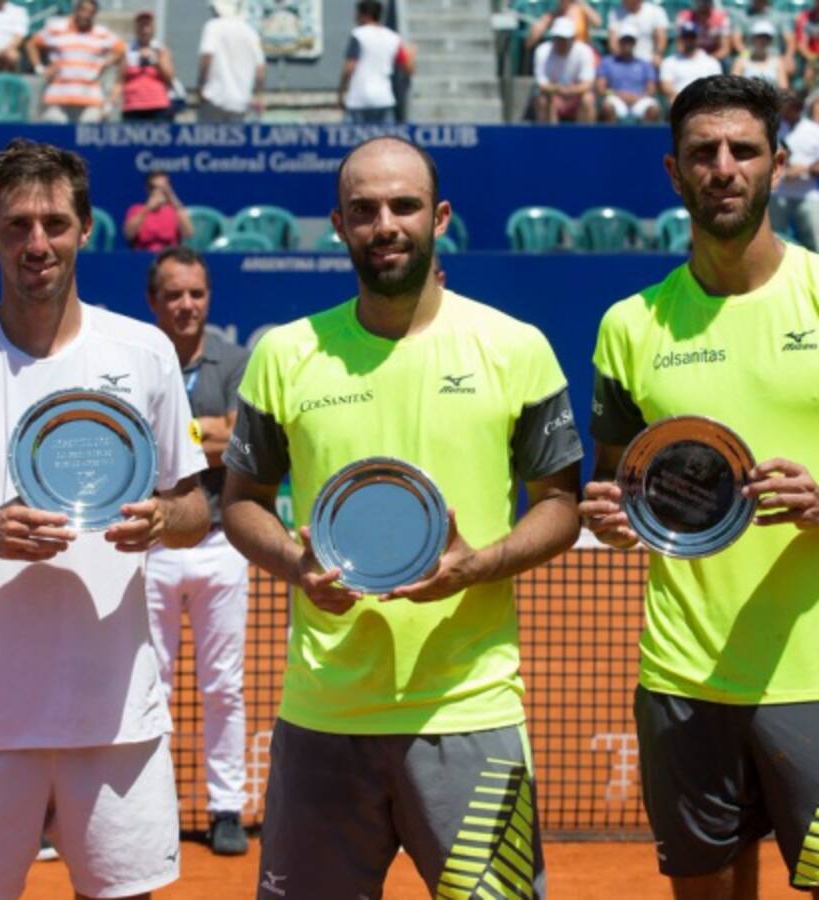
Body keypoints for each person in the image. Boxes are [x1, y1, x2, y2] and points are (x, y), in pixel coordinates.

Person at [221, 135, 583, 899]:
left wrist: (476, 565)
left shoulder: (516, 348)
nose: (385, 223)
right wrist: (296, 565)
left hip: (472, 712)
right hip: (324, 714)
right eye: (364, 210)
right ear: (338, 224)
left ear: (439, 216)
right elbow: (241, 504)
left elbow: (560, 505)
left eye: (404, 206)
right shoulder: (284, 354)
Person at [0, 139, 210, 900]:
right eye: (17, 224)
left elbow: (194, 507)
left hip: (116, 717)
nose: (37, 243)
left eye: (55, 222)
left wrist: (161, 520)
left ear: (86, 228)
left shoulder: (145, 351)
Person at [582, 74, 819, 900]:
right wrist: (610, 516)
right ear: (674, 173)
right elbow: (615, 482)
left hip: (813, 679)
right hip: (682, 676)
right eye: (703, 153)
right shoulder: (630, 325)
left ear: (778, 165)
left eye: (743, 150)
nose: (724, 167)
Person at [144, 247, 251, 857]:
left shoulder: (235, 360)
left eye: (196, 294)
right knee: (148, 685)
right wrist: (203, 431)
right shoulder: (138, 359)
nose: (187, 305)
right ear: (154, 301)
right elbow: (135, 436)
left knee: (223, 685)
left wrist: (173, 435)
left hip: (220, 544)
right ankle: (153, 807)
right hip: (151, 549)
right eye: (174, 295)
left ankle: (225, 807)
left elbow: (237, 440)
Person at [26, 0, 125, 124]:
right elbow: (32, 44)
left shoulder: (101, 33)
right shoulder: (57, 28)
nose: (86, 15)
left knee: (87, 138)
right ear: (76, 11)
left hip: (90, 99)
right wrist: (40, 68)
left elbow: (121, 48)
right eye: (84, 10)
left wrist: (106, 61)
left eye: (91, 12)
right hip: (58, 97)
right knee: (54, 139)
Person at [339, 0, 413, 125]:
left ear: (364, 15)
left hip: (359, 98)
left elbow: (349, 67)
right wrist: (412, 54)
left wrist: (341, 92)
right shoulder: (393, 37)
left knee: (355, 143)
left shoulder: (358, 35)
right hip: (384, 98)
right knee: (384, 141)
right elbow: (407, 68)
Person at [198, 0, 266, 123]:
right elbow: (260, 67)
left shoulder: (213, 26)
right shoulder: (250, 32)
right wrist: (258, 95)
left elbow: (207, 56)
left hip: (214, 97)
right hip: (241, 101)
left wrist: (201, 86)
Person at [771, 90, 819, 250]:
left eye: (789, 107)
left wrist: (805, 170)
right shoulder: (775, 130)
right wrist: (787, 170)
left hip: (808, 195)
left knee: (815, 243)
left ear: (798, 108)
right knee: (775, 241)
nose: (785, 111)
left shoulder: (814, 130)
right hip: (778, 194)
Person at [114, 9, 176, 121]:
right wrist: (110, 103)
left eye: (147, 26)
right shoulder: (127, 50)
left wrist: (155, 61)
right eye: (141, 26)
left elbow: (170, 79)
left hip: (158, 106)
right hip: (132, 106)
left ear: (153, 28)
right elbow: (119, 81)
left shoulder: (160, 49)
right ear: (136, 28)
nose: (144, 30)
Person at [534, 16, 597, 124]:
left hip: (576, 97)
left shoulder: (585, 51)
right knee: (543, 101)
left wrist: (569, 91)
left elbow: (587, 84)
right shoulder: (542, 51)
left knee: (588, 99)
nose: (561, 42)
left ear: (573, 38)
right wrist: (557, 90)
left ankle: (584, 138)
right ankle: (548, 138)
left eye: (564, 39)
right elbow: (542, 84)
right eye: (558, 38)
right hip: (553, 96)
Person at [598, 22, 661, 123]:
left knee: (653, 109)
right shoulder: (607, 62)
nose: (627, 44)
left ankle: (647, 139)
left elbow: (651, 89)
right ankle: (610, 138)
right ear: (620, 42)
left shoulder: (645, 64)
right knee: (608, 108)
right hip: (615, 98)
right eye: (625, 40)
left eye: (630, 41)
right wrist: (616, 94)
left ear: (635, 43)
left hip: (640, 99)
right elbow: (600, 88)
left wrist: (637, 97)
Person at [124, 170, 194, 252]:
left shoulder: (175, 210)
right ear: (147, 188)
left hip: (170, 256)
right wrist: (147, 209)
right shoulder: (136, 209)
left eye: (164, 187)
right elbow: (129, 235)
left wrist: (173, 199)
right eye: (154, 187)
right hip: (143, 257)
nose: (159, 191)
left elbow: (188, 233)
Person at [659, 23, 722, 106]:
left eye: (692, 37)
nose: (689, 41)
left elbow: (717, 86)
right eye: (686, 37)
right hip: (679, 103)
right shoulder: (669, 62)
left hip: (705, 103)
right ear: (680, 39)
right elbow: (666, 87)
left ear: (698, 38)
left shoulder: (711, 62)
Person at [607, 0, 669, 66]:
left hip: (648, 61)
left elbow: (661, 37)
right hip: (624, 62)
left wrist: (657, 54)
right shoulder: (615, 12)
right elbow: (613, 42)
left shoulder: (656, 11)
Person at [731, 20, 789, 89]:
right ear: (753, 38)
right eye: (759, 37)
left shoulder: (777, 62)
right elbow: (733, 86)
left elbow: (784, 88)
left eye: (766, 37)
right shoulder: (741, 61)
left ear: (770, 40)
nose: (763, 40)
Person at [525, 0, 601, 52]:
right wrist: (536, 30)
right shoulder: (553, 15)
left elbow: (597, 22)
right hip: (561, 56)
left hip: (580, 56)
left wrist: (582, 3)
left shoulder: (582, 11)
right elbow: (529, 42)